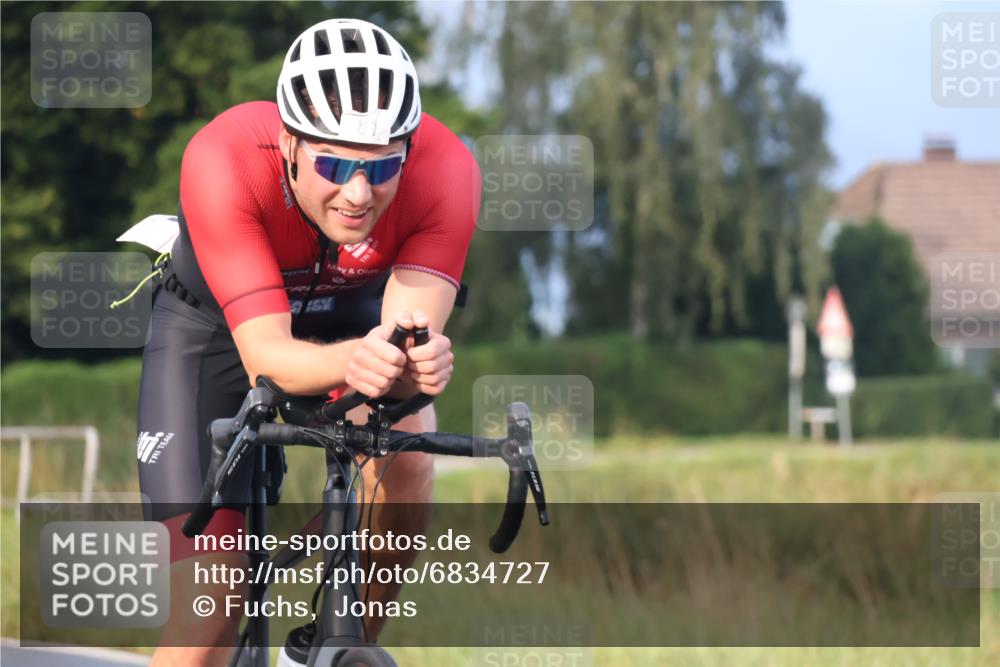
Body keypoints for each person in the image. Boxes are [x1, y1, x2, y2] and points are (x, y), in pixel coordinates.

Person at [136, 17, 480, 666]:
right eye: (334, 164)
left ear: (408, 151)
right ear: (289, 143)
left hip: (350, 315)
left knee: (407, 456)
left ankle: (340, 648)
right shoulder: (225, 157)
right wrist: (362, 358)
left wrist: (416, 366)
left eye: (382, 167)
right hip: (214, 334)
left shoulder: (446, 170)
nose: (358, 194)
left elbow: (403, 353)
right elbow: (267, 357)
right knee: (211, 600)